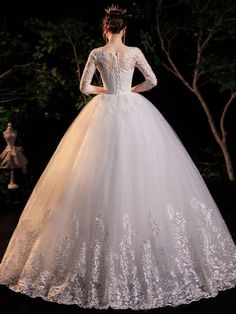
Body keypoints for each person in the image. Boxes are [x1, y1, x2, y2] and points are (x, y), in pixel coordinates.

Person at [0, 4, 236, 310]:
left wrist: (106, 91)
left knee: (93, 174)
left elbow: (84, 87)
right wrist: (130, 91)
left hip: (103, 110)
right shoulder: (134, 51)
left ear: (104, 28)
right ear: (123, 29)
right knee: (142, 174)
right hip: (134, 110)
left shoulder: (97, 53)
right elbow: (152, 81)